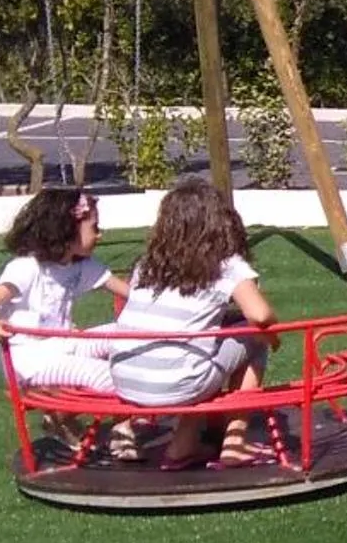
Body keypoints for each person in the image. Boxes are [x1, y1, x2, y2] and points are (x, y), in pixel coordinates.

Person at [108, 175, 279, 469]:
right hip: (179, 382)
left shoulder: (147, 265)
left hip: (125, 378)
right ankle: (235, 442)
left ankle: (183, 447)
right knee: (253, 338)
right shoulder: (226, 265)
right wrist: (274, 338)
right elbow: (260, 315)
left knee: (191, 349)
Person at [0, 186, 128, 393]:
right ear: (67, 230)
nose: (100, 234)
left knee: (126, 332)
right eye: (94, 228)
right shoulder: (26, 268)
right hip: (29, 360)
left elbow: (132, 295)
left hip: (64, 346)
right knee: (108, 376)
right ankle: (128, 422)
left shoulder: (82, 265)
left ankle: (62, 417)